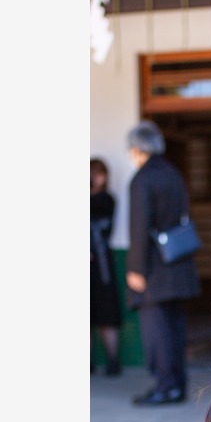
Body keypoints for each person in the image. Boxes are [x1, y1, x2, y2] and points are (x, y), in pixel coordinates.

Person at [124, 120, 201, 406]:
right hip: (179, 263)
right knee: (175, 327)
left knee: (156, 330)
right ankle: (177, 384)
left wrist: (136, 269)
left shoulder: (143, 178)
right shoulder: (172, 173)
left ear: (136, 148)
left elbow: (139, 227)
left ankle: (164, 386)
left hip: (155, 269)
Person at [91, 158, 123, 376]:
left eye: (101, 173)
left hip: (101, 265)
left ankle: (113, 361)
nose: (98, 177)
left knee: (107, 315)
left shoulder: (107, 199)